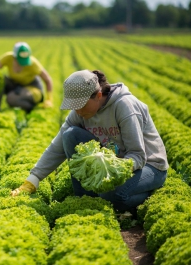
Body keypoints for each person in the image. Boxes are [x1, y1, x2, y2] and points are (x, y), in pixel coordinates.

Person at [11, 69, 169, 214]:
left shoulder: (125, 106)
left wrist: (111, 170)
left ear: (98, 95)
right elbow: (58, 145)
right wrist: (33, 179)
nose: (78, 111)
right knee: (70, 134)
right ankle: (86, 198)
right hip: (112, 164)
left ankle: (147, 193)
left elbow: (138, 156)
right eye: (74, 107)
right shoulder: (79, 113)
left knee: (111, 196)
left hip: (149, 166)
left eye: (82, 105)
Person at [0, 42, 53, 113]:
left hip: (32, 88)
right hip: (16, 85)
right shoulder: (8, 58)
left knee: (11, 99)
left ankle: (31, 107)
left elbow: (47, 79)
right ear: (14, 57)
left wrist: (49, 99)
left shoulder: (33, 63)